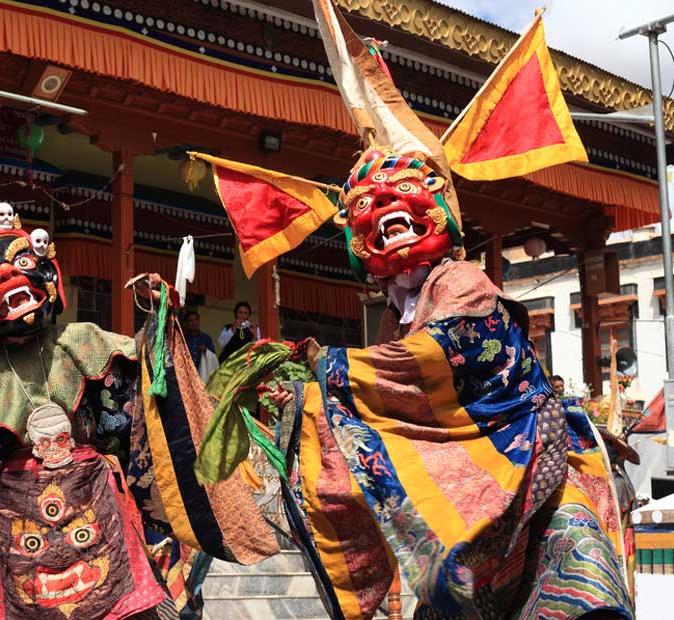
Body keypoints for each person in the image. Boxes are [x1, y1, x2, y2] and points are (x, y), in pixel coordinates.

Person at [199, 148, 632, 620]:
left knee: (573, 559)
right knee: (448, 593)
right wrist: (307, 396)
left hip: (532, 460)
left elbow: (439, 355)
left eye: (402, 194)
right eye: (368, 207)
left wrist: (325, 369)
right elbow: (385, 398)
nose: (385, 213)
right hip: (467, 484)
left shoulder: (462, 280)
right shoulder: (393, 317)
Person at [0, 199, 277, 619]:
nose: (8, 275)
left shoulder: (82, 340)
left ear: (47, 274)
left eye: (20, 262)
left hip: (97, 503)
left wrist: (158, 321)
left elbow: (142, 388)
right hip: (13, 529)